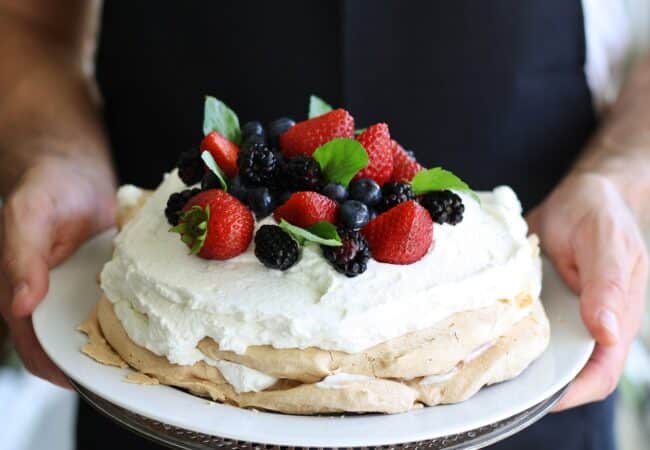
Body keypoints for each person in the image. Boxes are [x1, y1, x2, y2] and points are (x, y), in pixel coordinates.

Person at [0, 1, 648, 449]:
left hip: (516, 393)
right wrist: (58, 156)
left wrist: (616, 178)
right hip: (162, 390)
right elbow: (22, 19)